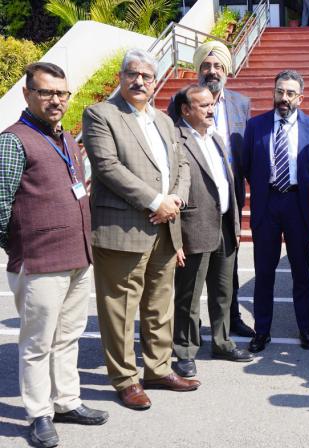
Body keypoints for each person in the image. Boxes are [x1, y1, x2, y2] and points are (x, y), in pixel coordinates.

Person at [83, 48, 198, 411]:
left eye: (147, 76)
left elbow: (182, 164)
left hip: (166, 226)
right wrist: (155, 201)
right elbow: (107, 167)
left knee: (159, 304)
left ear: (155, 81)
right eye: (133, 74)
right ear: (121, 76)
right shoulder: (101, 114)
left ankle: (158, 368)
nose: (140, 81)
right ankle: (125, 378)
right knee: (120, 307)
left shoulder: (163, 120)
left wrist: (176, 200)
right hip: (123, 227)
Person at [0, 62, 108, 448]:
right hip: (40, 260)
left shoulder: (65, 139)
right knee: (37, 343)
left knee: (69, 336)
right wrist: (19, 247)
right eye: (46, 92)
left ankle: (66, 401)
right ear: (28, 95)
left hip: (77, 255)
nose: (56, 100)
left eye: (61, 93)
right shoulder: (13, 140)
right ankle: (39, 414)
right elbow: (0, 205)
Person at [168, 41, 255, 339]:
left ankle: (230, 320)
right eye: (206, 65)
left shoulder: (240, 103)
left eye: (218, 66)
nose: (212, 71)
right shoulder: (181, 100)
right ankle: (189, 332)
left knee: (226, 265)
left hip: (230, 196)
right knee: (193, 270)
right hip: (195, 199)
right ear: (197, 69)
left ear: (227, 70)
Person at [240, 70, 309, 353]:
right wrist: (269, 190)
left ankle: (305, 328)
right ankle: (261, 330)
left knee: (301, 272)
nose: (284, 98)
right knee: (264, 271)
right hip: (267, 204)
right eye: (280, 91)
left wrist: (295, 191)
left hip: (297, 205)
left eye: (290, 93)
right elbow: (249, 167)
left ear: (300, 98)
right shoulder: (255, 126)